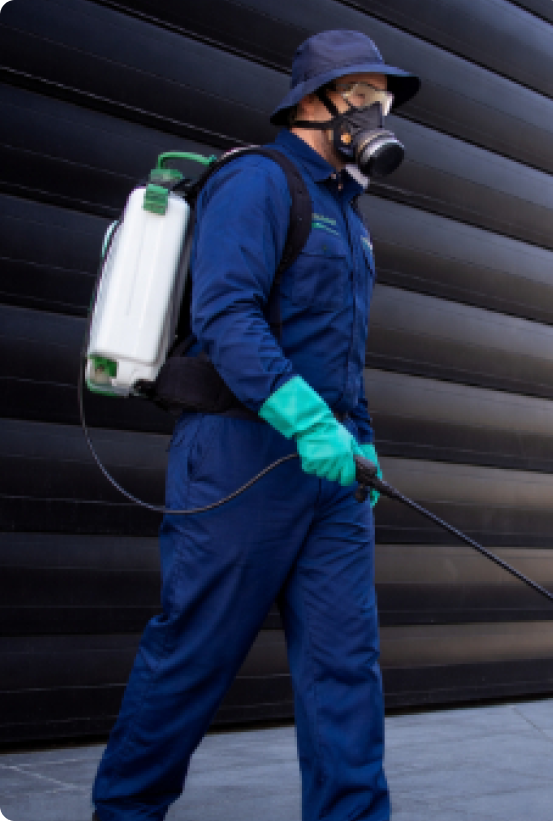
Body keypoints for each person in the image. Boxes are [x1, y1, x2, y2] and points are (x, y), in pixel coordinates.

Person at [92, 29, 420, 822]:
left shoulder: (353, 217)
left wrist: (359, 439)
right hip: (240, 459)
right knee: (194, 654)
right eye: (357, 94)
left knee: (347, 664)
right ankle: (125, 812)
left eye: (379, 95)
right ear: (310, 102)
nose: (374, 110)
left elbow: (342, 352)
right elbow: (228, 317)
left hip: (333, 477)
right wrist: (308, 422)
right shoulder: (258, 180)